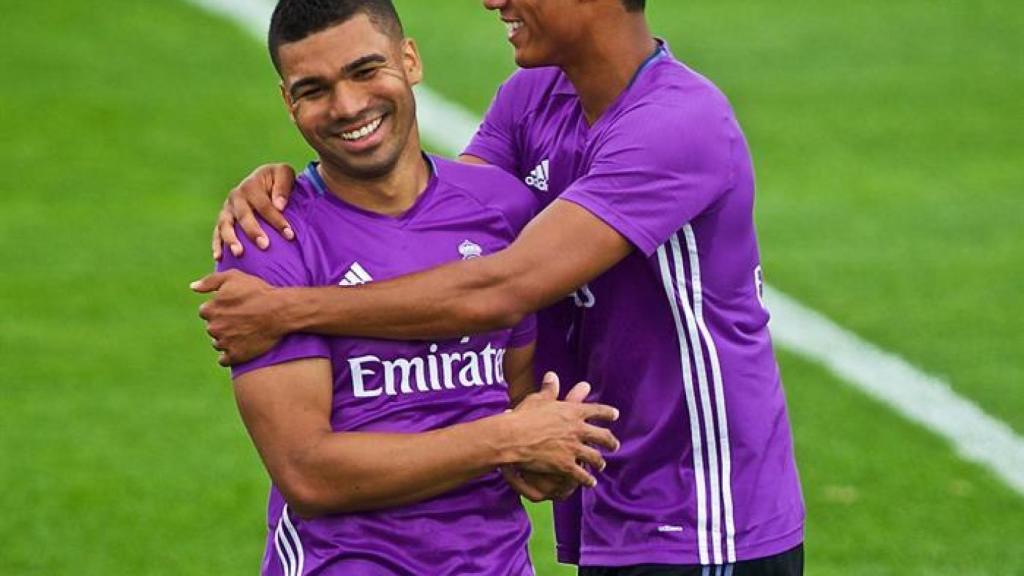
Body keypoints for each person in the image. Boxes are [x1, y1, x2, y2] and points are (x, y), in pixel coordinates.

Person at [195, 0, 806, 574]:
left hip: (703, 506)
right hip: (606, 487)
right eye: (313, 90)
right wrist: (285, 184)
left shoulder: (676, 121)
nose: (492, 0)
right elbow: (442, 218)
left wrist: (288, 310)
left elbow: (498, 288)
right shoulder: (532, 99)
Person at [206, 1, 621, 574]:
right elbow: (310, 474)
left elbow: (521, 404)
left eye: (364, 70)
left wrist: (544, 458)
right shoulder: (269, 238)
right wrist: (506, 440)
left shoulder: (503, 210)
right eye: (314, 89)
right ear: (288, 102)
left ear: (410, 60)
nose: (347, 106)